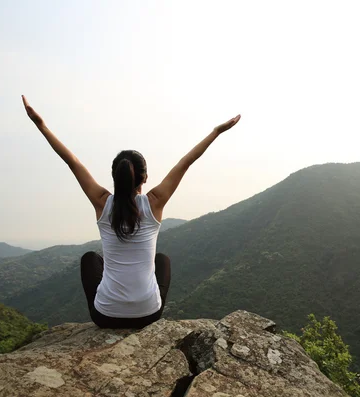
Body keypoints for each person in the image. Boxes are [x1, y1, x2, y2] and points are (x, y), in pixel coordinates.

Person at [22, 95, 241, 329]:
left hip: (105, 316)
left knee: (90, 259)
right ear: (145, 178)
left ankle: (114, 300)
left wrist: (41, 126)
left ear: (114, 177)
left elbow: (72, 161)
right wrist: (216, 132)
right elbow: (185, 162)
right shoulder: (154, 202)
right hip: (148, 315)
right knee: (162, 260)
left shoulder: (102, 202)